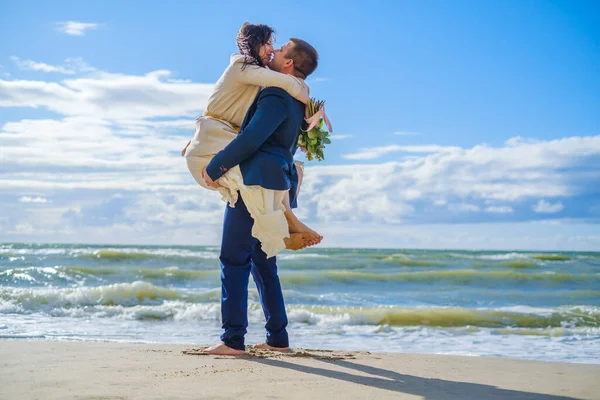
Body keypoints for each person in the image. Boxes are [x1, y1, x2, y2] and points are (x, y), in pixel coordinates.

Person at [199, 38, 320, 355]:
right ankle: (278, 339)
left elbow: (252, 137)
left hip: (255, 183)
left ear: (289, 63)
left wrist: (215, 167)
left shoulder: (277, 94)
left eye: (281, 50)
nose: (275, 51)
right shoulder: (296, 100)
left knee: (233, 258)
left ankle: (233, 341)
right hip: (275, 182)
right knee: (264, 263)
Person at [183, 23, 322, 257]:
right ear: (254, 44)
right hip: (214, 132)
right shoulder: (242, 65)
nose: (272, 49)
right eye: (268, 43)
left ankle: (280, 236)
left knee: (255, 183)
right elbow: (289, 82)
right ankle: (285, 230)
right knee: (251, 176)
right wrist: (311, 107)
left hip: (225, 134)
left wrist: (308, 109)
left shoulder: (263, 79)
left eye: (275, 45)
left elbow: (289, 84)